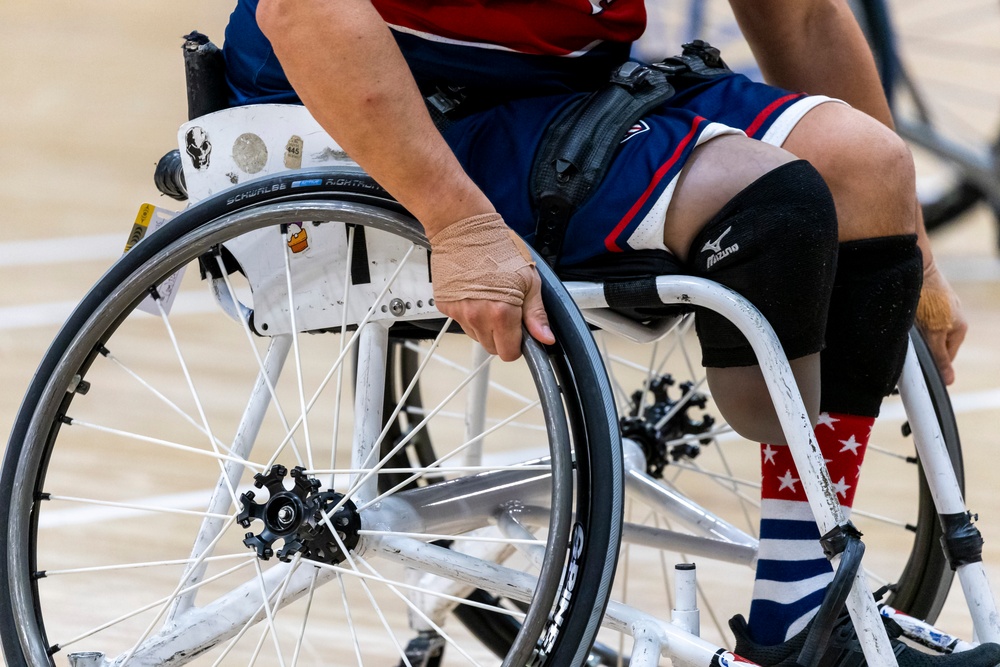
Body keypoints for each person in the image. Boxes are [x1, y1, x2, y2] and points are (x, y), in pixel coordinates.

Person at [221, 1, 997, 664]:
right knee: (772, 213)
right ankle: (801, 601)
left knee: (866, 167)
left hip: (570, 86)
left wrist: (911, 254)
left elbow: (798, 13)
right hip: (375, 96)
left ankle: (799, 605)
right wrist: (456, 221)